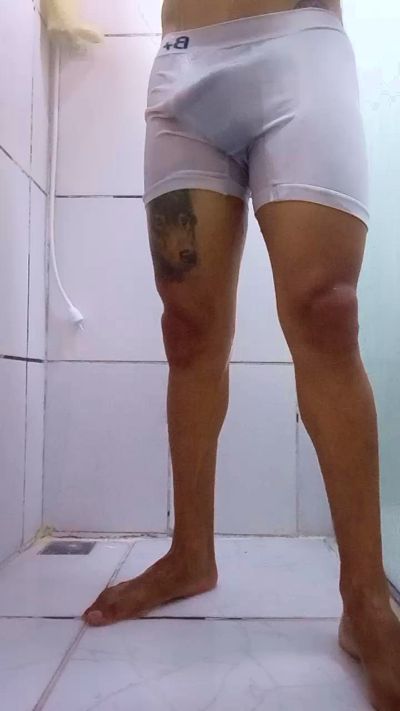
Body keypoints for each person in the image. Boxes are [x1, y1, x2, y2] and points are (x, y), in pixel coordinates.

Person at [84, 1, 400, 708]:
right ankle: (190, 554)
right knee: (187, 328)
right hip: (184, 67)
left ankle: (364, 597)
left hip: (299, 46)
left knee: (327, 311)